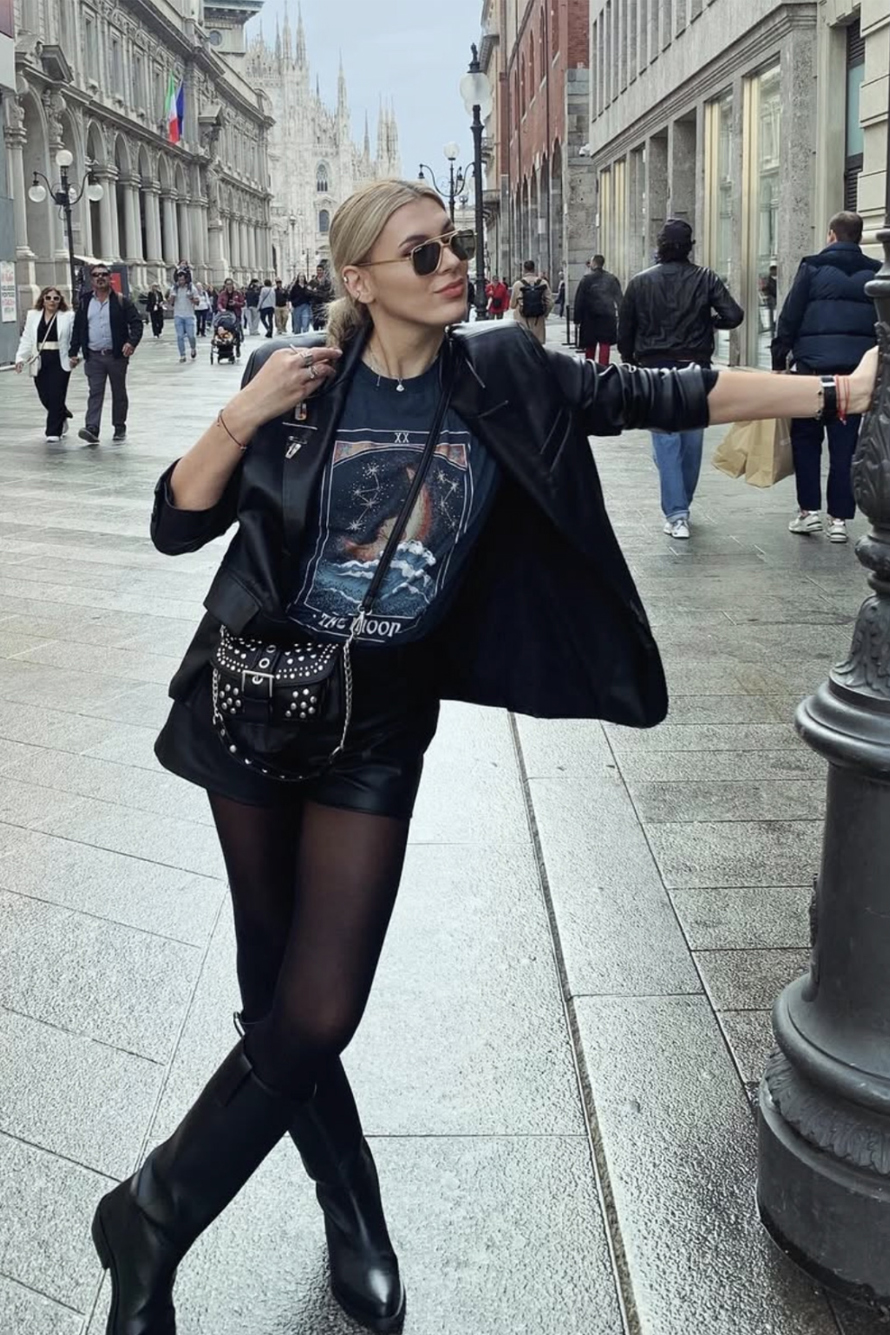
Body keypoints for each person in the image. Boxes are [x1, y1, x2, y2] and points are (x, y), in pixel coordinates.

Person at [88, 175, 879, 1335]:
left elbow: (664, 391)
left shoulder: (503, 372)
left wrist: (835, 390)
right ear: (358, 281)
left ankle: (151, 1214)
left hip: (377, 724)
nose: (449, 261)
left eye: (449, 242)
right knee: (275, 1000)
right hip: (251, 703)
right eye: (419, 253)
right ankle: (352, 1211)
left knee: (317, 1007)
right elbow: (176, 522)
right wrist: (241, 415)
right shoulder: (295, 379)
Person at [619, 218, 744, 540]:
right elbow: (734, 315)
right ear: (690, 247)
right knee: (691, 439)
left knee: (665, 438)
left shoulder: (640, 282)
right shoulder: (705, 278)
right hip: (694, 366)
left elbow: (625, 329)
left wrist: (629, 360)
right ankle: (681, 505)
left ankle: (676, 514)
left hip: (655, 367)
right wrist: (709, 323)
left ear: (660, 246)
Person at [772, 211, 880, 544]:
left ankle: (809, 513)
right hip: (852, 375)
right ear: (858, 237)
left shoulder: (812, 267)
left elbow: (790, 315)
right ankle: (839, 520)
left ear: (831, 234)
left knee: (806, 441)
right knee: (845, 447)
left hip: (812, 373)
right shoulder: (876, 271)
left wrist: (779, 358)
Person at [69, 262, 143, 445]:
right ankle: (92, 427)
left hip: (116, 356)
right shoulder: (85, 301)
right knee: (95, 392)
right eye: (96, 275)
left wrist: (131, 343)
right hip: (93, 356)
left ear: (110, 278)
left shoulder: (121, 301)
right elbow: (78, 328)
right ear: (91, 279)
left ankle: (119, 426)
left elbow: (136, 323)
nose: (100, 278)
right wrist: (73, 351)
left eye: (103, 274)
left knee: (119, 392)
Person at [14, 286, 77, 441]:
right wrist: (20, 358)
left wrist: (75, 355)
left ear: (60, 301)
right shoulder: (33, 315)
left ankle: (53, 432)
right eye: (48, 298)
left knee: (56, 393)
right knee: (44, 395)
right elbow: (27, 338)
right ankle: (61, 413)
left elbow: (74, 338)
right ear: (43, 299)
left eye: (56, 298)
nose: (52, 301)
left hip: (60, 358)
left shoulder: (68, 316)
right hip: (40, 359)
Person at [574, 255, 622, 365]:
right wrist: (622, 316)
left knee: (590, 346)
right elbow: (619, 299)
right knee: (605, 344)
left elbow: (579, 300)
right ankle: (603, 367)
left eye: (591, 262)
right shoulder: (611, 279)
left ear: (594, 263)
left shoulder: (586, 280)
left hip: (589, 317)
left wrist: (577, 319)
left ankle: (590, 368)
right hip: (607, 316)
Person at [510, 259, 554, 344]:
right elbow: (550, 302)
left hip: (522, 318)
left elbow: (512, 305)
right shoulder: (543, 283)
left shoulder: (517, 284)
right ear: (534, 269)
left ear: (524, 270)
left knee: (524, 344)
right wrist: (545, 313)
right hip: (538, 319)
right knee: (537, 344)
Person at [169, 269, 200, 363]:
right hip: (178, 315)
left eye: (182, 279)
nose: (181, 282)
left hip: (189, 315)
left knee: (191, 336)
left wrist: (191, 298)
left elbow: (197, 302)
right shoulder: (174, 288)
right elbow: (170, 303)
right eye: (179, 280)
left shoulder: (191, 288)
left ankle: (193, 348)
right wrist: (172, 297)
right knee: (180, 336)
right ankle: (182, 355)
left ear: (186, 279)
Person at [308, 263, 334, 330]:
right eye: (317, 270)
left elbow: (327, 294)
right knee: (315, 324)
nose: (319, 272)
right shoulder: (312, 281)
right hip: (315, 306)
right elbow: (308, 292)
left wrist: (315, 291)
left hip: (324, 305)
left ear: (323, 271)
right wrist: (316, 292)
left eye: (320, 270)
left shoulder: (327, 282)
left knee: (324, 324)